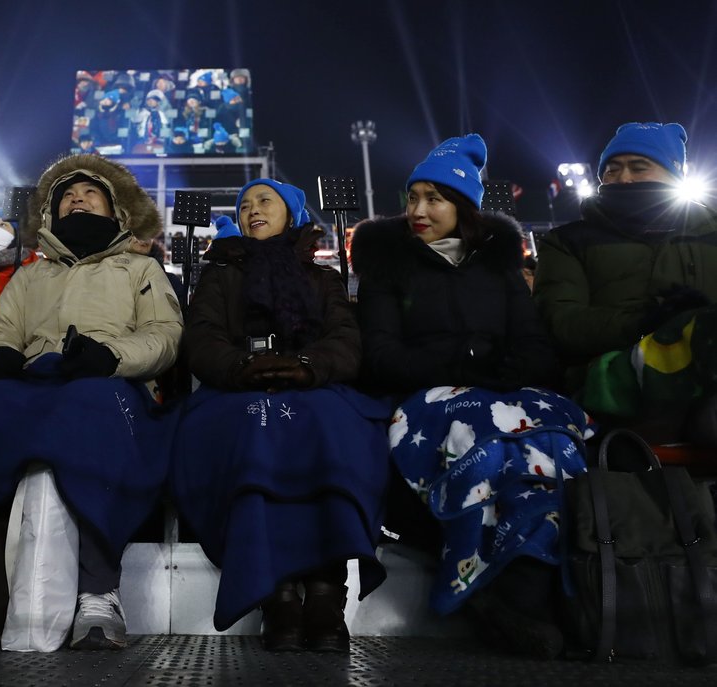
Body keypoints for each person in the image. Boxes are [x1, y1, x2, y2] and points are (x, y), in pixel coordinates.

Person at [0, 154, 183, 651]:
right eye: (67, 195)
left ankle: (98, 590)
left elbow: (164, 334)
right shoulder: (31, 275)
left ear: (116, 211)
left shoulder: (140, 268)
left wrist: (110, 356)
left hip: (107, 380)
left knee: (92, 414)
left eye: (90, 193)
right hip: (34, 379)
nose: (77, 198)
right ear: (50, 214)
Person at [352, 134, 594, 659]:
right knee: (481, 440)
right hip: (426, 400)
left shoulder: (499, 265)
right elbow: (382, 355)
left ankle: (542, 591)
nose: (417, 210)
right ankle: (503, 596)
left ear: (463, 205)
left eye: (433, 198)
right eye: (412, 197)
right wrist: (465, 359)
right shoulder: (386, 265)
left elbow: (534, 345)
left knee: (550, 446)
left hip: (504, 393)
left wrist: (507, 371)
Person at [169, 178, 391, 653]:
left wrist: (308, 367)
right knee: (254, 426)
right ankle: (277, 594)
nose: (252, 210)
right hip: (237, 390)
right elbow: (202, 338)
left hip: (312, 388)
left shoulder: (322, 278)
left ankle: (327, 594)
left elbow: (345, 341)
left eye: (264, 201)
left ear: (292, 214)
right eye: (244, 204)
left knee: (329, 427)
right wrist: (240, 368)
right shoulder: (220, 273)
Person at [533, 122, 717, 447]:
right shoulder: (568, 242)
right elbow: (560, 324)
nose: (624, 179)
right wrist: (650, 322)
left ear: (675, 173)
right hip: (608, 385)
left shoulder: (710, 236)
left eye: (639, 167)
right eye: (613, 169)